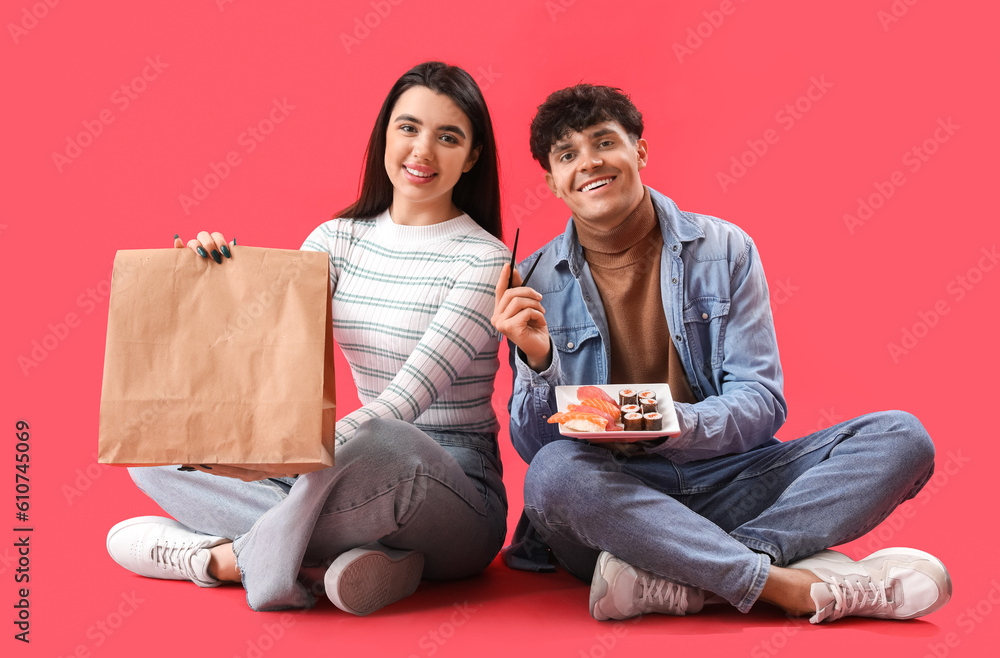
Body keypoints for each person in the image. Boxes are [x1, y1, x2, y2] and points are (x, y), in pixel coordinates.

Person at [491, 83, 951, 624]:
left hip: (731, 479)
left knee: (900, 437)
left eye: (603, 142)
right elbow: (534, 445)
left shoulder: (725, 249)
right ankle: (786, 586)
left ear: (638, 150)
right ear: (552, 181)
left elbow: (760, 402)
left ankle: (695, 574)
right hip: (618, 499)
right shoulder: (536, 279)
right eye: (567, 155)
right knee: (553, 472)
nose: (589, 163)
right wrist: (539, 361)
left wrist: (668, 421)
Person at [106, 61, 510, 614]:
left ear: (472, 156)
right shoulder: (336, 240)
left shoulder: (484, 259)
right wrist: (209, 279)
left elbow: (403, 402)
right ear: (384, 134)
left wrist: (286, 463)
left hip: (450, 491)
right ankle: (351, 560)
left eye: (448, 137)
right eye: (409, 128)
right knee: (155, 446)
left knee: (386, 441)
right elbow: (264, 357)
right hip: (344, 477)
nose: (423, 151)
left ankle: (221, 560)